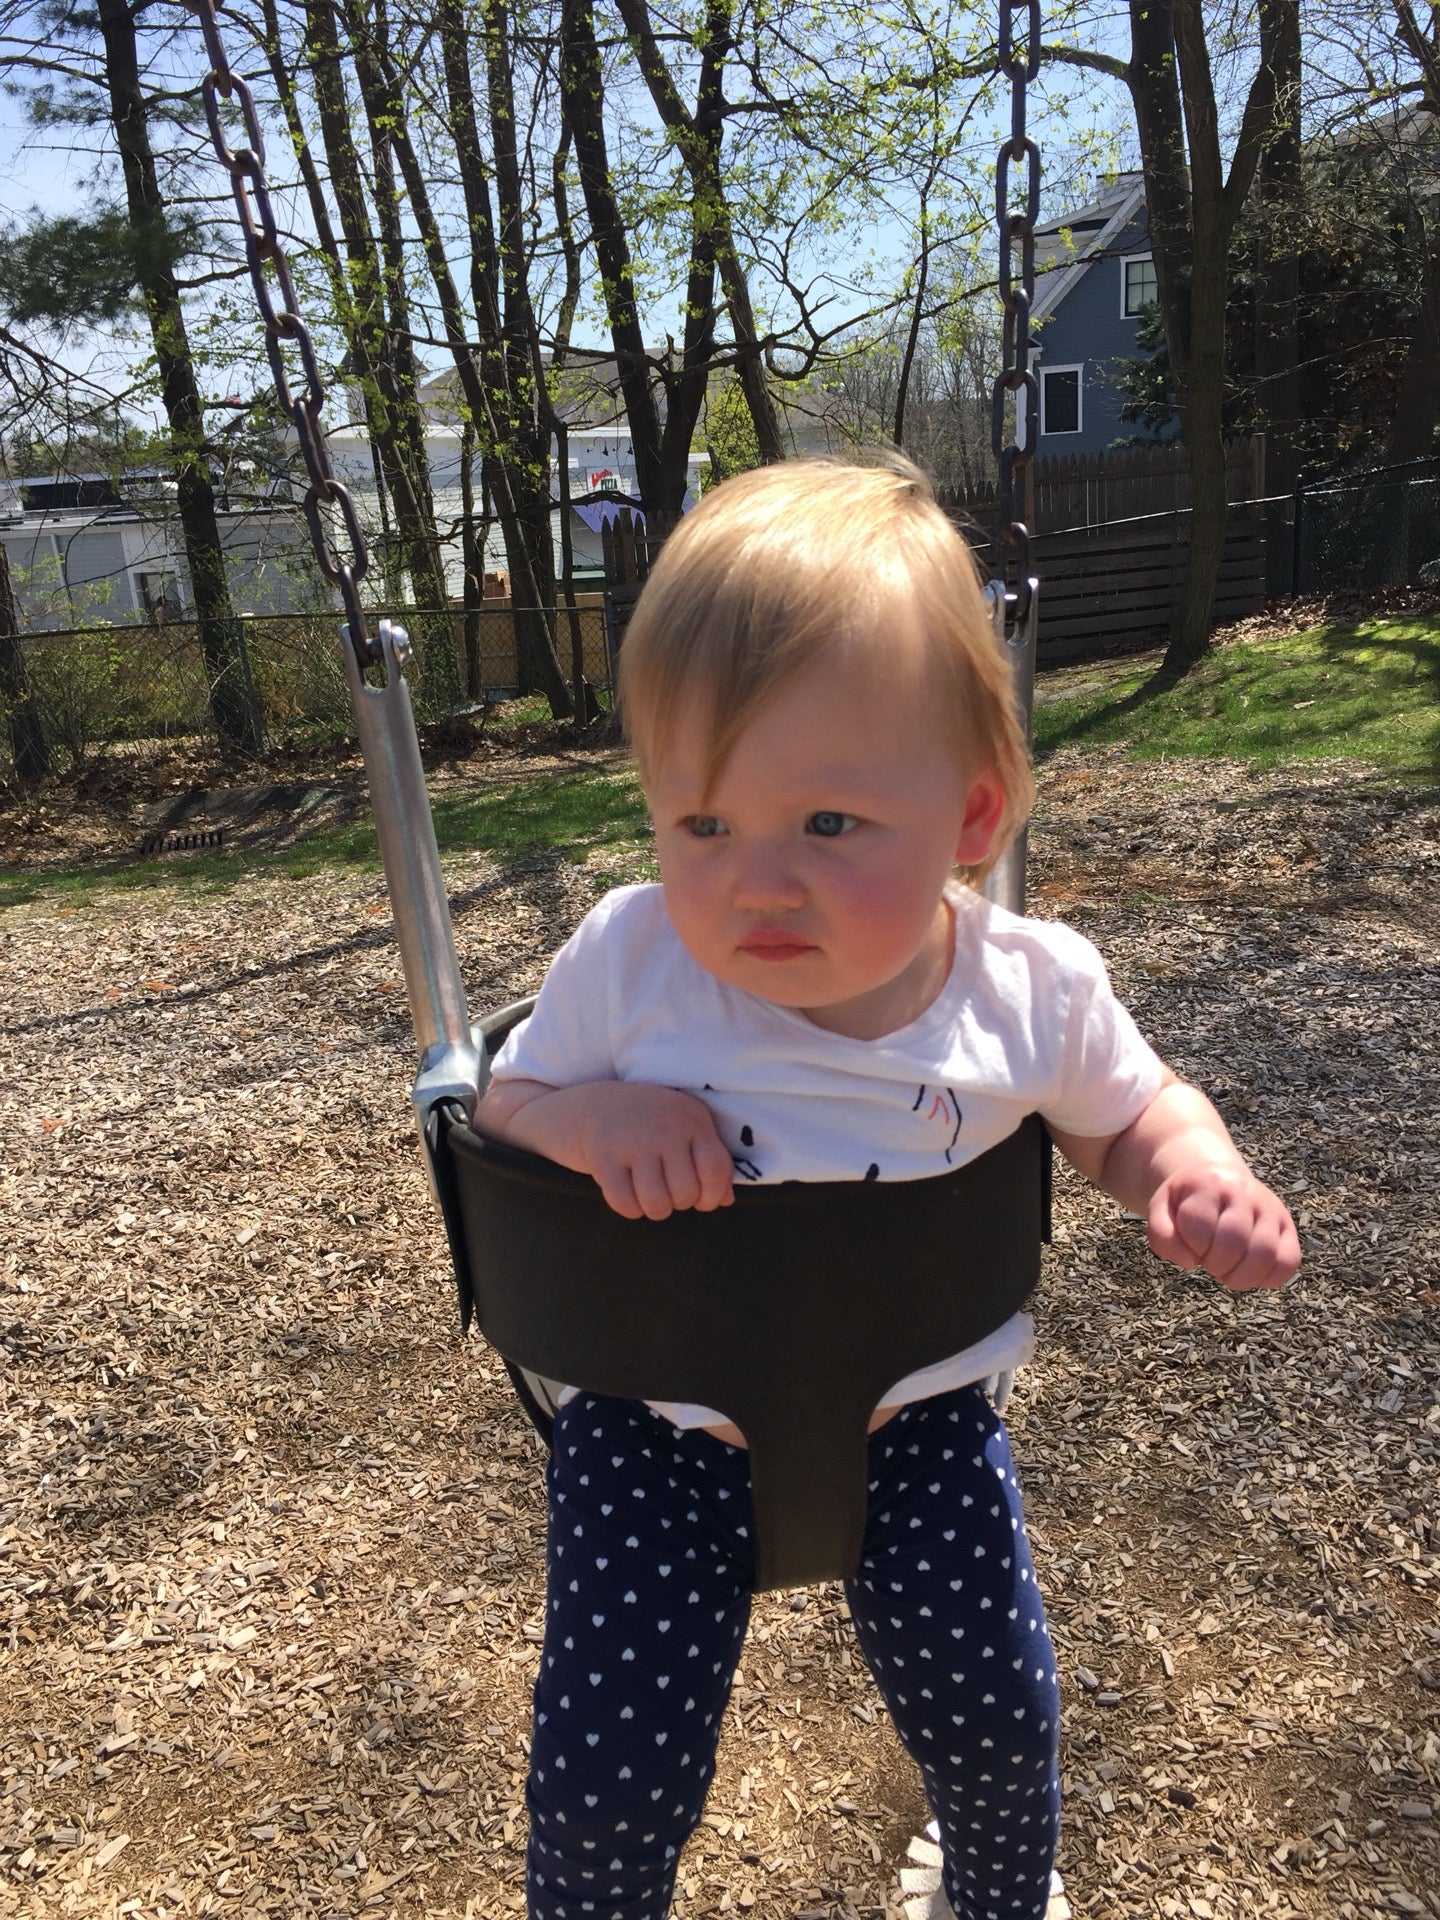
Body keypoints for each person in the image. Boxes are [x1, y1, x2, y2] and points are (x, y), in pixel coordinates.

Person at [474, 457, 1299, 1920]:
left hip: (917, 1420)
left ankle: (996, 1892)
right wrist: (594, 1116)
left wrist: (1193, 1173)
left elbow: (1132, 1116)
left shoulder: (1027, 991)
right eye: (703, 826)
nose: (755, 885)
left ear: (971, 824)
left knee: (1000, 1723)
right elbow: (506, 1101)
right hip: (652, 1429)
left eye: (830, 827)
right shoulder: (628, 960)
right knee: (603, 1777)